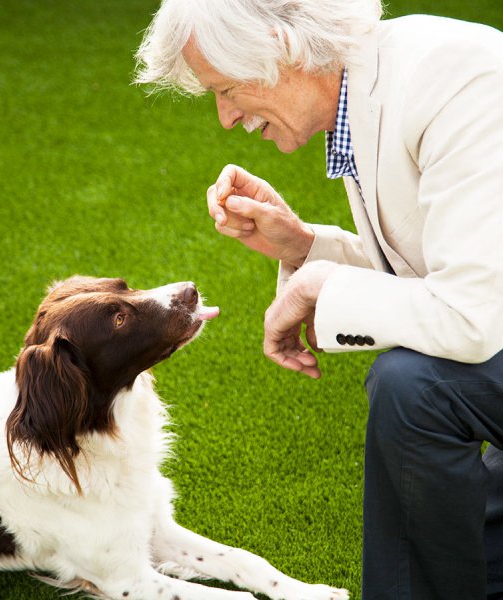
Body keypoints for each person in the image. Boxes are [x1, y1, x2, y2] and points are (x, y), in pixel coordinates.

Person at [135, 1, 503, 598]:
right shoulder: (378, 81)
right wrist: (306, 247)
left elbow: (469, 316)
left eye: (226, 89)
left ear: (282, 47)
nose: (226, 118)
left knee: (415, 388)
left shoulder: (454, 80)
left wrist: (319, 285)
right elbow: (458, 271)